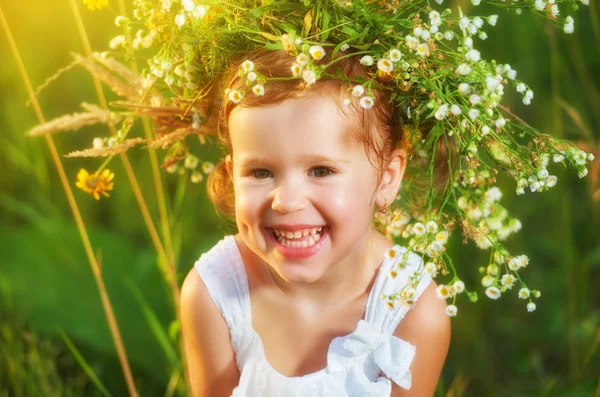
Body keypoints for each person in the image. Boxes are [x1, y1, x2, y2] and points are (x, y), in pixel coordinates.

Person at [180, 47, 451, 397]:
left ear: (386, 178)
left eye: (321, 170)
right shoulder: (214, 294)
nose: (287, 201)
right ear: (233, 176)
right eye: (260, 172)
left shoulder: (413, 310)